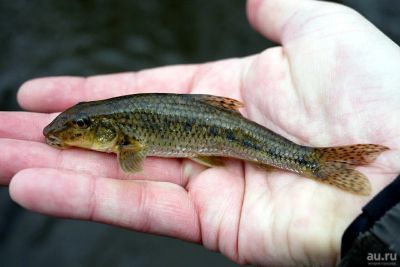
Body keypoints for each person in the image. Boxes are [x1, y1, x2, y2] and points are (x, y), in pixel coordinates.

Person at [0, 0, 399, 266]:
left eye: (76, 128)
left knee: (296, 157)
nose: (66, 132)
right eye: (71, 127)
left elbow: (132, 161)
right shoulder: (113, 126)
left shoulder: (126, 143)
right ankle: (315, 162)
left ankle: (312, 162)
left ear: (107, 132)